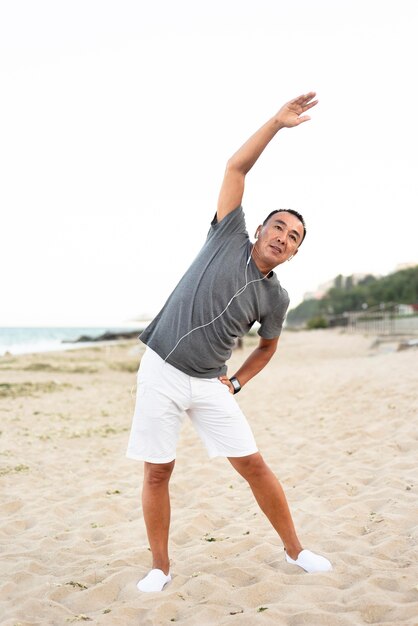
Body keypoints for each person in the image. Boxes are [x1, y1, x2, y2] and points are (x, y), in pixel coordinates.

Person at [126, 92, 332, 593]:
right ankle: (160, 567)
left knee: (254, 465)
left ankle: (296, 550)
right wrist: (276, 124)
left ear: (294, 253)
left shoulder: (275, 297)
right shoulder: (228, 235)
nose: (283, 236)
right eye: (278, 226)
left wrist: (236, 383)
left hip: (210, 384)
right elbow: (236, 168)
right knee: (158, 472)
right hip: (161, 370)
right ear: (259, 227)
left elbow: (267, 347)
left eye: (294, 236)